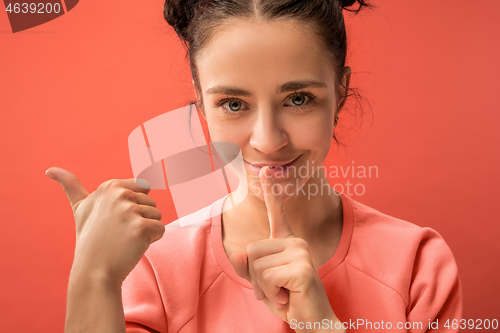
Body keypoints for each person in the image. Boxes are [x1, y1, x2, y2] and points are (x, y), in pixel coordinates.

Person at [47, 0, 463, 332]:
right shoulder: (154, 267)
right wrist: (94, 276)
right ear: (202, 105)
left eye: (298, 98)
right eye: (233, 104)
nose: (267, 140)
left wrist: (321, 327)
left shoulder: (417, 265)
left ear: (341, 90)